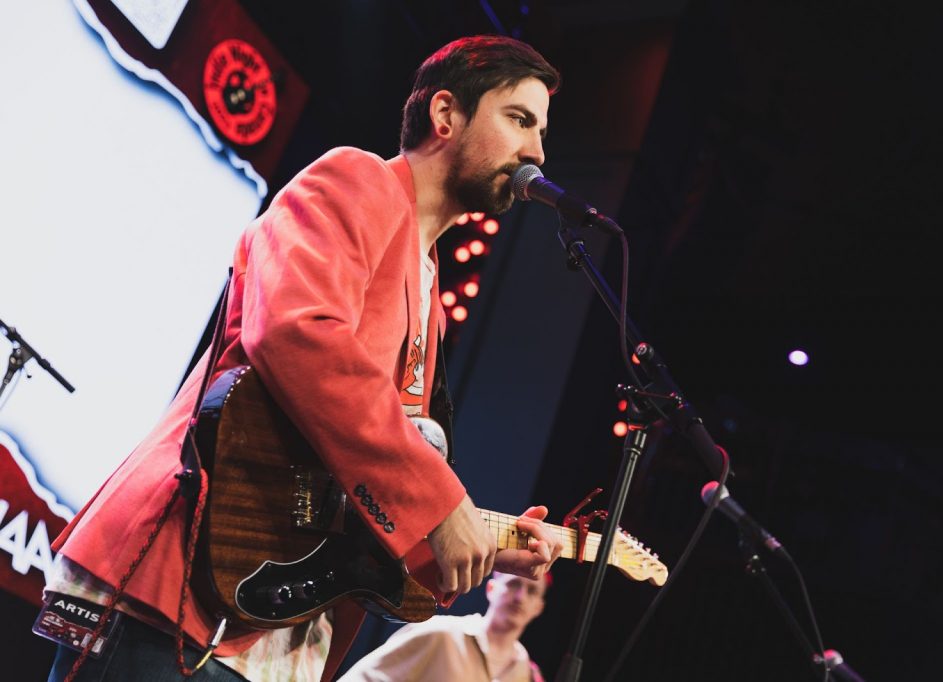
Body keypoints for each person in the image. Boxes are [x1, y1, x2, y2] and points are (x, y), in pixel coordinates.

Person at [43, 35, 562, 682]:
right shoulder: (357, 180)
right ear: (446, 115)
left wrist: (475, 544)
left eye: (540, 130)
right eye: (519, 120)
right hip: (185, 578)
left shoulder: (429, 288)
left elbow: (349, 473)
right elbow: (298, 334)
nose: (537, 151)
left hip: (265, 627)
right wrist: (438, 503)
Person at [339, 571, 550, 682]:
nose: (520, 597)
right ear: (491, 589)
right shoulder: (440, 633)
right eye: (513, 584)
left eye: (532, 591)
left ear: (539, 608)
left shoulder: (527, 674)